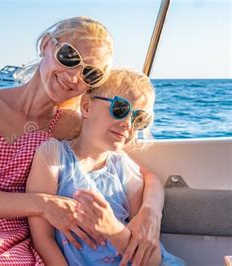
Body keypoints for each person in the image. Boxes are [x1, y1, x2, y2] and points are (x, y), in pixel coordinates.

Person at [0, 17, 165, 265]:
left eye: (90, 74)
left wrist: (150, 213)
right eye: (69, 56)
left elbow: (144, 174)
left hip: (25, 238)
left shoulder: (71, 124)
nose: (74, 76)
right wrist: (43, 204)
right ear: (45, 45)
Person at [26, 69, 185, 265]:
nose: (128, 124)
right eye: (120, 109)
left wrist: (113, 229)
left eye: (139, 119)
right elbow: (43, 239)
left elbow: (150, 259)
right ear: (86, 107)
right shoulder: (53, 155)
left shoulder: (122, 165)